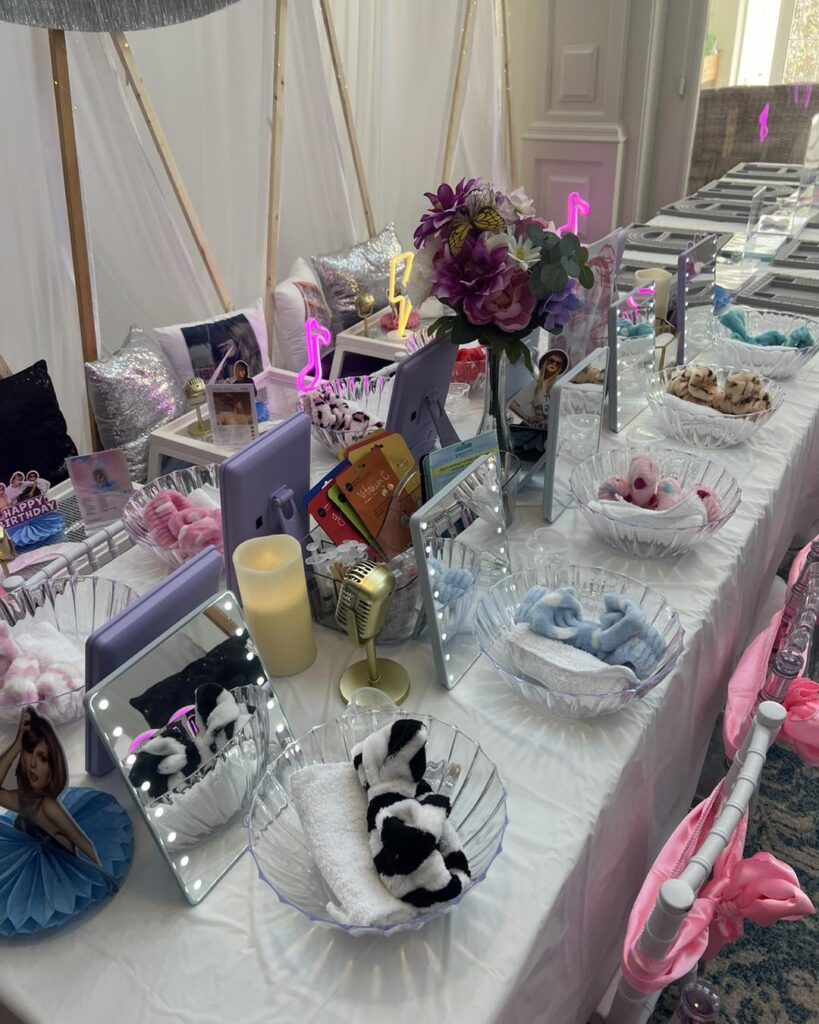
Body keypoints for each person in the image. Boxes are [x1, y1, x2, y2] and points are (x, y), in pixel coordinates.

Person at [0, 708, 100, 864]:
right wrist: (16, 746)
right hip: (33, 868)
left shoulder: (48, 806)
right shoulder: (23, 801)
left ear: (53, 767)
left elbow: (86, 845)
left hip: (63, 873)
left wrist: (102, 876)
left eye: (42, 758)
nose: (32, 764)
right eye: (28, 751)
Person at [509, 349, 569, 427]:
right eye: (551, 360)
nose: (554, 364)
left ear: (559, 368)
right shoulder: (535, 384)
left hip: (556, 431)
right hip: (540, 431)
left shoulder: (559, 385)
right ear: (546, 362)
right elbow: (513, 405)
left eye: (558, 363)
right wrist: (528, 418)